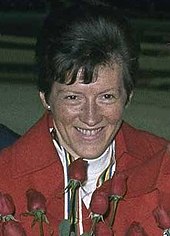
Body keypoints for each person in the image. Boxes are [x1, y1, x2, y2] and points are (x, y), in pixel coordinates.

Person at [0, 2, 169, 236]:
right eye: (73, 97)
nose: (91, 117)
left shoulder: (163, 166)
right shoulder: (5, 179)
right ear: (45, 97)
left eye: (107, 97)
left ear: (128, 97)